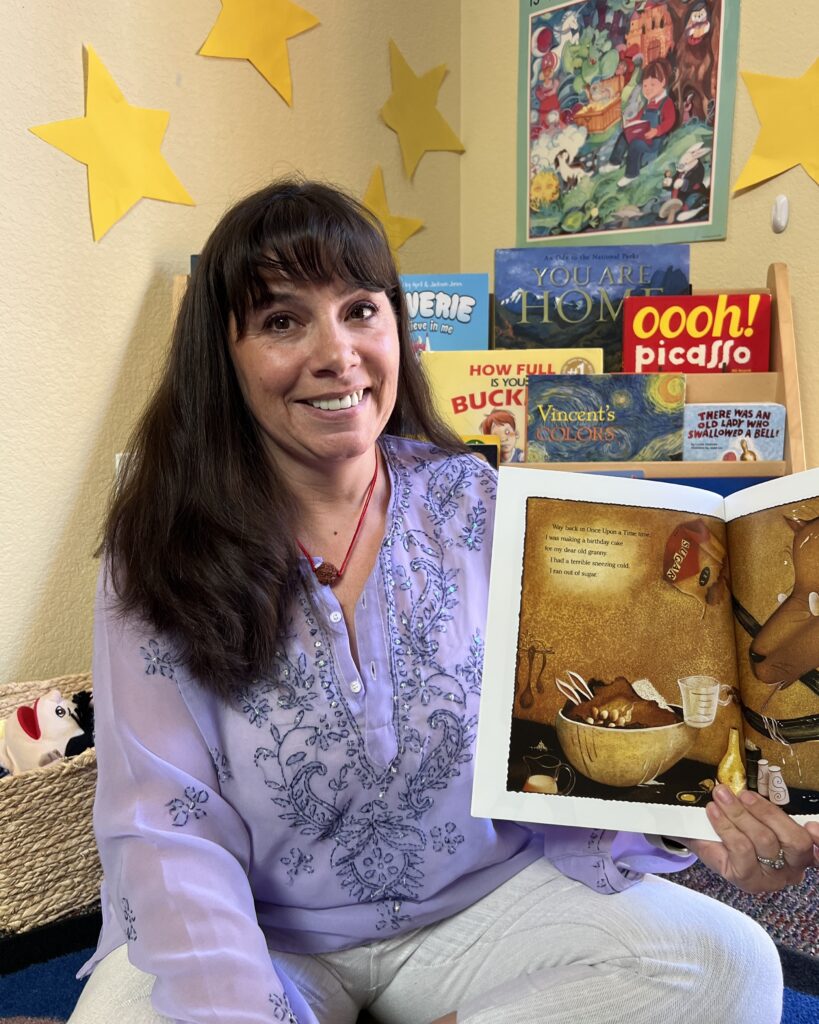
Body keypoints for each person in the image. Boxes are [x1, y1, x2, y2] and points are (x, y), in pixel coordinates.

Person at [70, 179, 818, 1024]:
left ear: (395, 325)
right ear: (224, 353)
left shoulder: (474, 502)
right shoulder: (157, 544)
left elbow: (539, 762)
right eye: (283, 321)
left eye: (360, 311)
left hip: (477, 911)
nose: (336, 354)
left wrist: (699, 829)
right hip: (259, 935)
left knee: (731, 967)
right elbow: (164, 826)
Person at [602, 59, 677, 187]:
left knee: (635, 145)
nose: (647, 89)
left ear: (663, 82)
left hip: (654, 142)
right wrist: (631, 122)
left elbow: (670, 120)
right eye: (645, 85)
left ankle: (631, 174)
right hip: (643, 134)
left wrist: (657, 131)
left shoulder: (666, 102)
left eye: (652, 85)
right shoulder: (649, 103)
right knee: (624, 135)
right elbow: (639, 116)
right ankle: (615, 162)